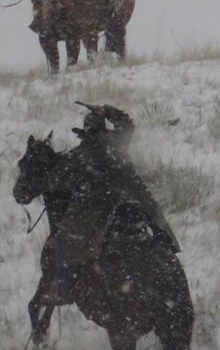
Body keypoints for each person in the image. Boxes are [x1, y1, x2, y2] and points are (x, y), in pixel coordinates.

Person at [43, 102, 178, 304]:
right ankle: (168, 250)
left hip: (99, 210)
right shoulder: (117, 141)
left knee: (63, 240)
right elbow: (127, 124)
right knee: (157, 228)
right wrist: (107, 110)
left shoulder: (80, 154)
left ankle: (65, 288)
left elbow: (55, 181)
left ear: (85, 131)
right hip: (133, 204)